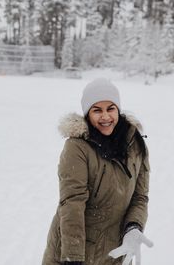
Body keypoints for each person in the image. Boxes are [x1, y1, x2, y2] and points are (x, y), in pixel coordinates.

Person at [42, 78, 153, 265]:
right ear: (87, 113)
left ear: (118, 109)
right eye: (97, 110)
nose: (105, 117)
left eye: (110, 108)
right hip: (75, 249)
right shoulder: (77, 147)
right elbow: (72, 202)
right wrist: (73, 257)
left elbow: (140, 196)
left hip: (115, 251)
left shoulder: (135, 145)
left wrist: (133, 227)